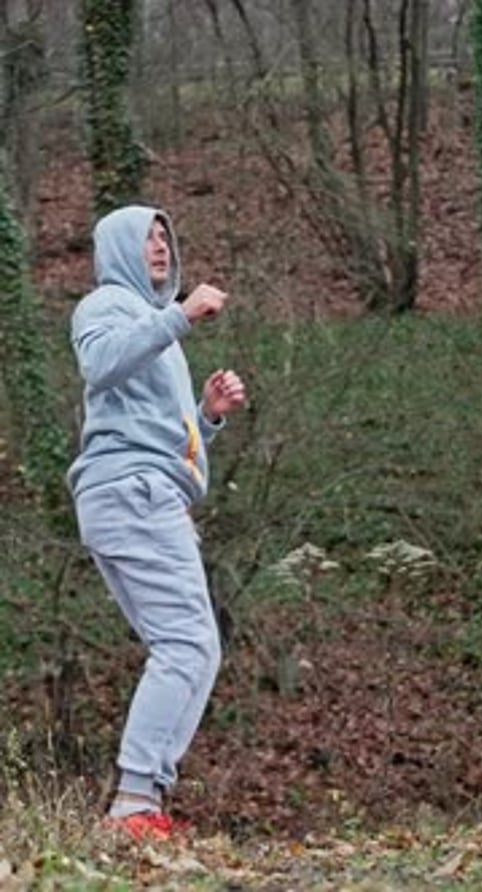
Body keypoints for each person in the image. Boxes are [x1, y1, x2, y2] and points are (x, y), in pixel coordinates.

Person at [67, 204, 246, 839]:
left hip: (144, 489)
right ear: (118, 248)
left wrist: (207, 414)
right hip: (130, 491)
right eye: (147, 237)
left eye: (166, 236)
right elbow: (100, 365)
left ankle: (143, 802)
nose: (161, 246)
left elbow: (165, 440)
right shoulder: (106, 306)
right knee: (188, 644)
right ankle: (135, 805)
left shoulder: (155, 329)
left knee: (196, 648)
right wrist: (181, 316)